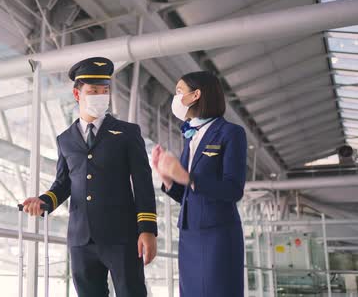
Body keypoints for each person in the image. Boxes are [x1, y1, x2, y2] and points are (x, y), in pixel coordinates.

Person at [22, 57, 158, 297]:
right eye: (93, 90)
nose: (100, 95)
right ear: (77, 94)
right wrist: (44, 202)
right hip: (80, 239)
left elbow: (143, 183)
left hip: (122, 236)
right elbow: (63, 183)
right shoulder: (65, 139)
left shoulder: (127, 133)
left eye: (104, 90)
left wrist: (147, 229)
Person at [151, 71, 247, 297]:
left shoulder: (231, 133)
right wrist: (167, 178)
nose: (176, 98)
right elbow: (188, 194)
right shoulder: (191, 136)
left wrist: (188, 177)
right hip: (189, 234)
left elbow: (233, 189)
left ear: (196, 95)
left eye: (179, 92)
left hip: (217, 234)